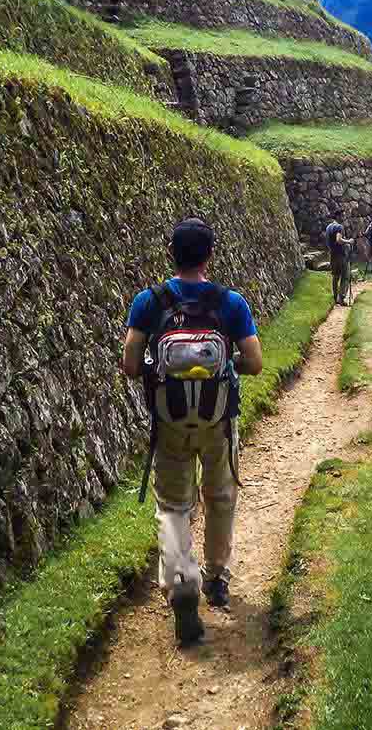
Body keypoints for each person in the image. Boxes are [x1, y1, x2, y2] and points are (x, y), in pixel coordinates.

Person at [122, 218, 264, 646]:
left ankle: (182, 581)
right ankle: (217, 576)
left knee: (173, 505)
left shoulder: (149, 302)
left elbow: (130, 364)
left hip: (169, 423)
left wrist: (162, 371)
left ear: (171, 254)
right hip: (217, 420)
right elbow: (254, 362)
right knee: (220, 496)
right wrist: (222, 371)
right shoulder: (230, 303)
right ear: (210, 256)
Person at [325, 210, 355, 305]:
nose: (344, 217)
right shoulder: (339, 227)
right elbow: (338, 240)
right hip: (341, 255)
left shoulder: (328, 227)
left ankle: (335, 297)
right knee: (345, 276)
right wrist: (349, 241)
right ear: (338, 216)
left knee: (335, 277)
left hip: (332, 254)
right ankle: (341, 298)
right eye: (342, 215)